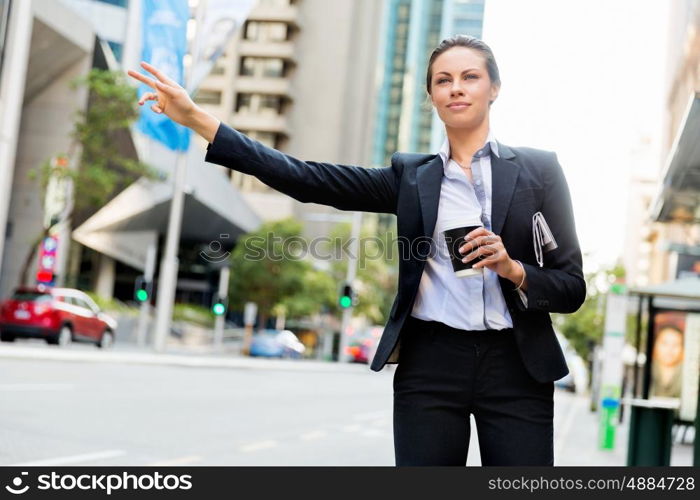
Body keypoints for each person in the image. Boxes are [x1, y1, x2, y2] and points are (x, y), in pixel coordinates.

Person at [128, 34, 585, 466]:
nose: (456, 88)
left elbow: (571, 287)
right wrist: (197, 119)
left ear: (494, 89)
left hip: (517, 366)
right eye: (443, 81)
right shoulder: (412, 177)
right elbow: (304, 178)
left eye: (470, 77)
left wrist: (513, 268)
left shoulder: (539, 171)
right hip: (430, 364)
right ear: (431, 98)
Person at [650, 324, 684, 399]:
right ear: (655, 345)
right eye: (664, 343)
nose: (669, 349)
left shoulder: (687, 373)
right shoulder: (646, 369)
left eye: (676, 344)